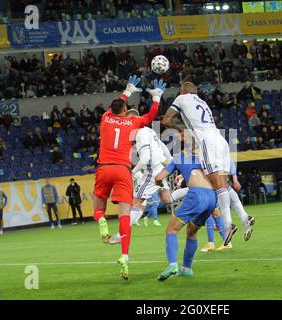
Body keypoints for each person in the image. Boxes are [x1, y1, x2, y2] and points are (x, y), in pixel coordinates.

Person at [162, 81, 254, 246]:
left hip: (207, 143)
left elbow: (166, 120)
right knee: (223, 185)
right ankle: (244, 217)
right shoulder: (202, 102)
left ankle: (227, 225)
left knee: (218, 186)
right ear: (195, 91)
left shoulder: (181, 99)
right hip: (220, 140)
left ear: (183, 91)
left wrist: (180, 130)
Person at [92, 76, 165, 281]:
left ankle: (102, 220)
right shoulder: (132, 122)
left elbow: (116, 104)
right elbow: (151, 115)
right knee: (126, 214)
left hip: (104, 168)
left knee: (98, 208)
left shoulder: (105, 118)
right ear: (125, 112)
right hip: (123, 170)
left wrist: (128, 90)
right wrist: (157, 97)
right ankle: (124, 255)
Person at [154, 145, 218, 280]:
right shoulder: (201, 158)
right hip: (212, 196)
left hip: (196, 194)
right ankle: (186, 268)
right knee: (192, 231)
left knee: (171, 229)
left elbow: (159, 177)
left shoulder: (178, 158)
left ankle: (172, 265)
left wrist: (159, 184)